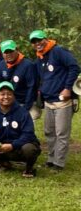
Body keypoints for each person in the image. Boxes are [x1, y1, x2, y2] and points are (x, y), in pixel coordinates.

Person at [30, 30, 80, 171]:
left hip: (63, 101)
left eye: (39, 40)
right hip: (48, 101)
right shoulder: (39, 58)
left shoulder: (58, 51)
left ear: (46, 39)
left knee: (61, 133)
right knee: (49, 132)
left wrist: (67, 88)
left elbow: (74, 67)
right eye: (34, 41)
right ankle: (51, 159)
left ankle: (59, 163)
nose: (37, 43)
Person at [0, 81, 41, 177]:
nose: (6, 97)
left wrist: (12, 145)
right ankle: (1, 165)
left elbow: (28, 135)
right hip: (0, 149)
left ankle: (29, 169)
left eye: (9, 94)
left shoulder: (23, 112)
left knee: (29, 149)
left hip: (18, 148)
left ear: (13, 96)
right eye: (2, 94)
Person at [0, 40, 39, 119]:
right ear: (2, 54)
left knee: (27, 122)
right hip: (10, 102)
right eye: (6, 52)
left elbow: (32, 88)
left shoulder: (28, 65)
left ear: (17, 50)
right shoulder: (2, 64)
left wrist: (25, 108)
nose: (9, 54)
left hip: (27, 102)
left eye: (11, 51)